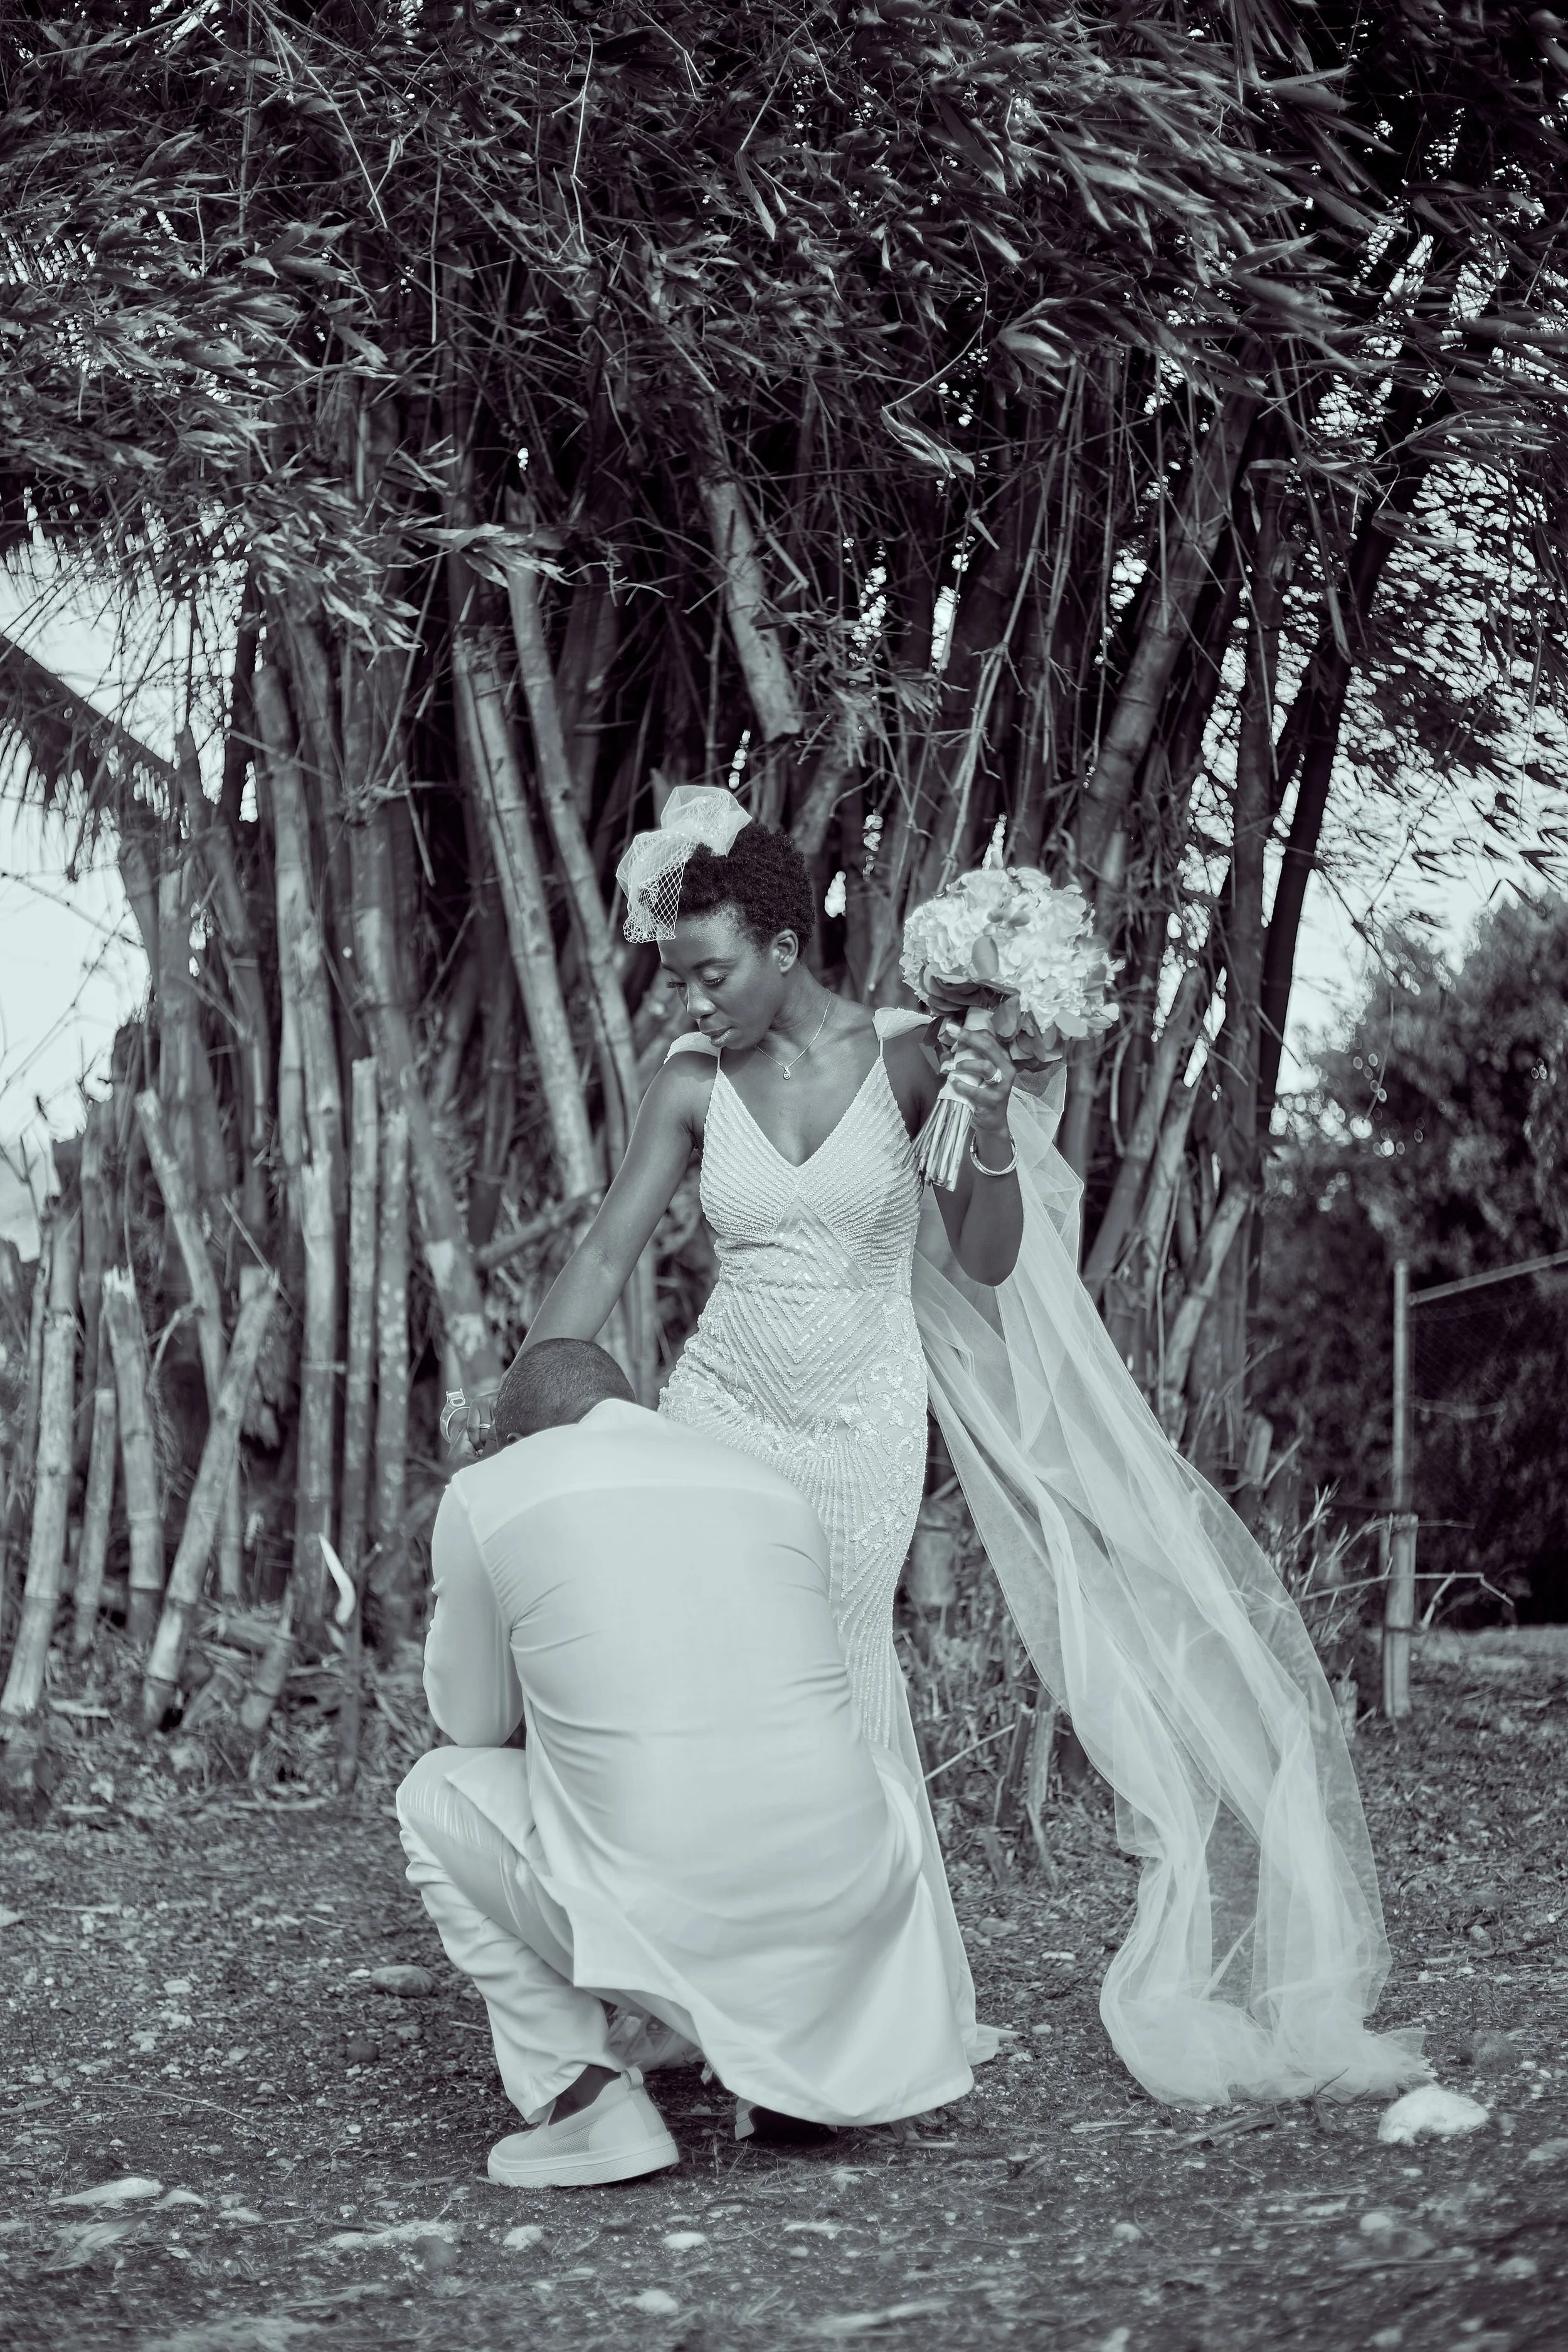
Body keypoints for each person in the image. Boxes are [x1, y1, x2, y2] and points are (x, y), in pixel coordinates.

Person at [516, 786, 1429, 2113]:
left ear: (780, 945)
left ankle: (843, 2006)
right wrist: (526, 1422)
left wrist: (987, 1124)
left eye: (710, 974)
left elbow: (991, 1258)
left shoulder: (904, 1062)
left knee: (824, 1689)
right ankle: (702, 1987)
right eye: (675, 980)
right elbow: (605, 1252)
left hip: (859, 1425)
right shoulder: (689, 1083)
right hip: (717, 1410)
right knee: (698, 1680)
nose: (692, 1002)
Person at [396, 1337, 975, 2190]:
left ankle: (583, 2102)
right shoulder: (770, 1492)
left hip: (675, 1903)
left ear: (519, 1437)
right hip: (843, 1909)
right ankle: (799, 2071)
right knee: (866, 1765)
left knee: (430, 1796)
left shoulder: (490, 1493)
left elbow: (471, 1719)